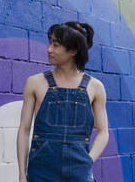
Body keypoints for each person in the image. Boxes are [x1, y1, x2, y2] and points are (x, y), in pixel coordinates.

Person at [17, 22, 109, 182]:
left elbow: (103, 132)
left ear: (73, 51)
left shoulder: (95, 87)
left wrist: (88, 161)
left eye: (56, 45)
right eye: (50, 43)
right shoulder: (34, 83)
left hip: (79, 172)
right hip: (40, 171)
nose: (49, 49)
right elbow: (24, 130)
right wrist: (22, 174)